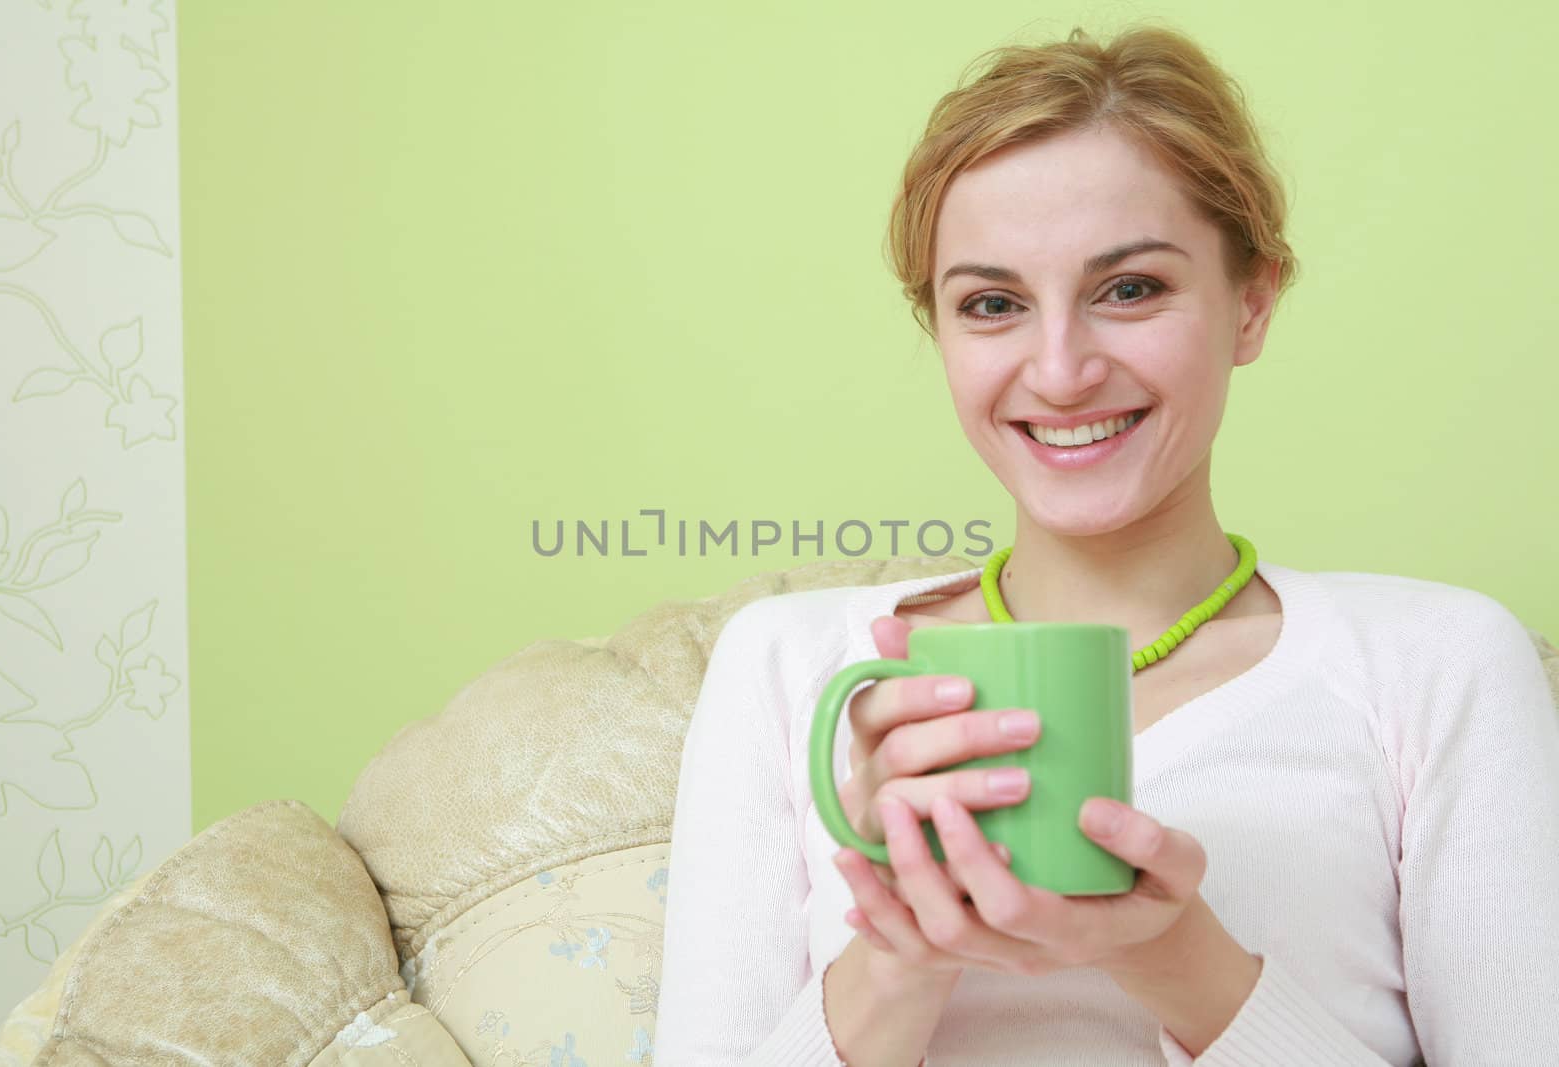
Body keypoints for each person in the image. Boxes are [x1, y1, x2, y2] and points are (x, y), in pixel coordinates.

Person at [653, 21, 1559, 1067]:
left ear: (1251, 303)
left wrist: (1182, 959)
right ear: (938, 334)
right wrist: (900, 952)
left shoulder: (1436, 663)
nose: (1061, 369)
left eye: (1128, 289)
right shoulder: (787, 664)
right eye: (991, 304)